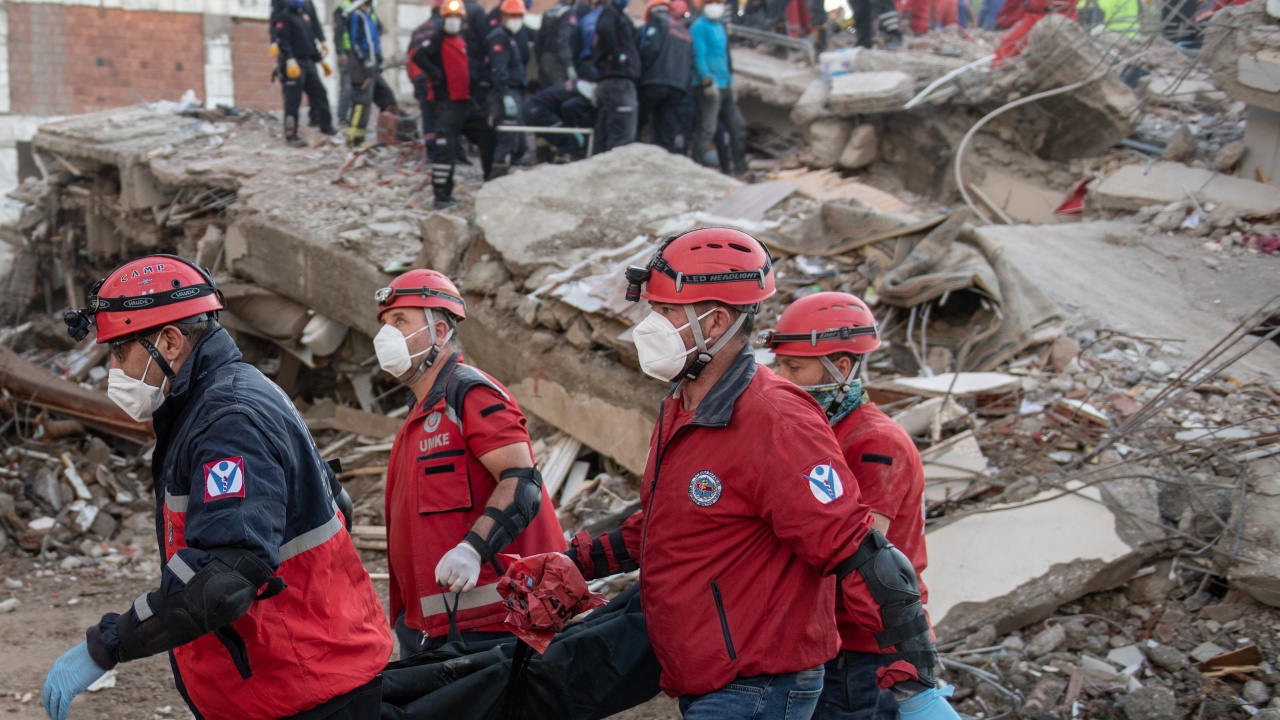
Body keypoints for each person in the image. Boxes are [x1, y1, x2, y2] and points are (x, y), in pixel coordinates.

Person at [504, 228, 961, 720]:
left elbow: (861, 552)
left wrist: (914, 682)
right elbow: (669, 524)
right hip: (708, 676)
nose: (647, 326)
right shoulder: (683, 406)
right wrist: (578, 561)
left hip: (758, 685)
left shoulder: (777, 420)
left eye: (665, 312)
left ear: (716, 320)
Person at [43, 255, 391, 720]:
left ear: (168, 341)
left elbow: (220, 583)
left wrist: (107, 644)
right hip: (295, 677)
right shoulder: (220, 398)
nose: (113, 368)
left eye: (119, 351)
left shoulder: (227, 419)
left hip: (301, 688)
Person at [372, 269, 567, 656]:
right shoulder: (421, 414)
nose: (386, 334)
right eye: (384, 322)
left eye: (399, 321)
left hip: (492, 626)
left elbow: (522, 480)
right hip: (435, 626)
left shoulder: (470, 393)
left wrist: (473, 549)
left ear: (440, 332)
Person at [766, 292, 929, 720]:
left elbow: (864, 559)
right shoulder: (825, 433)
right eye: (780, 365)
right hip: (831, 643)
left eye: (794, 367)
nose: (782, 379)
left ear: (841, 368)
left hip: (861, 651)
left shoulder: (876, 443)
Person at [411, 0, 497, 208]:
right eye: (450, 17)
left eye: (457, 17)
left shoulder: (461, 39)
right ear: (443, 18)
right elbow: (419, 56)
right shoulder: (438, 38)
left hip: (465, 102)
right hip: (447, 104)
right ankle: (442, 196)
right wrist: (435, 73)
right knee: (445, 150)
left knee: (487, 136)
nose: (453, 21)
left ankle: (491, 181)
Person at [690, 0, 748, 177]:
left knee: (738, 127)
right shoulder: (698, 27)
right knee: (707, 130)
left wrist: (730, 81)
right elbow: (698, 55)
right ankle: (695, 170)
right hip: (710, 86)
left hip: (725, 84)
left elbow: (724, 56)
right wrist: (706, 80)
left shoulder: (720, 26)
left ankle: (741, 168)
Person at [274, 0, 337, 146]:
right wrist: (289, 59)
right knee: (292, 101)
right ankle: (291, 135)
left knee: (320, 94)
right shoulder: (284, 17)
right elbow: (283, 41)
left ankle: (326, 127)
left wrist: (320, 60)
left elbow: (309, 41)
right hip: (293, 64)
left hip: (308, 62)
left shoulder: (304, 15)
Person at [638, 0, 693, 154]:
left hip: (655, 81)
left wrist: (641, 73)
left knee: (636, 122)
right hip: (678, 87)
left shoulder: (657, 22)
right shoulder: (683, 29)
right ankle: (664, 164)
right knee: (666, 130)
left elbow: (651, 49)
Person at [487, 0, 531, 174]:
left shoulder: (509, 37)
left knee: (519, 143)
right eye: (513, 15)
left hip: (514, 92)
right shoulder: (499, 37)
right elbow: (499, 68)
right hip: (505, 93)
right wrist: (505, 94)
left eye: (519, 16)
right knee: (507, 140)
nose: (516, 19)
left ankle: (507, 178)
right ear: (503, 16)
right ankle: (495, 179)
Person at [346, 0, 398, 147]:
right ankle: (354, 141)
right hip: (361, 69)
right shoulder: (355, 15)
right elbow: (355, 42)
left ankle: (388, 136)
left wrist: (378, 60)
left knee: (387, 100)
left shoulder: (368, 15)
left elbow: (373, 41)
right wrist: (365, 61)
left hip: (373, 67)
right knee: (361, 104)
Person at [591, 0, 641, 152]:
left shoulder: (617, 16)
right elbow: (604, 29)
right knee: (622, 136)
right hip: (618, 81)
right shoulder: (611, 12)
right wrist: (618, 56)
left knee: (605, 133)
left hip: (612, 81)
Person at [526, 79, 598, 162]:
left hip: (531, 109)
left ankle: (544, 160)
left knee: (546, 139)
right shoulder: (584, 94)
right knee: (569, 139)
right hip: (540, 111)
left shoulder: (576, 86)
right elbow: (567, 107)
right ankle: (564, 160)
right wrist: (573, 128)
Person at [537, 0, 580, 87]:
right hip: (558, 62)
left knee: (545, 96)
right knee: (558, 95)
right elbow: (563, 40)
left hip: (544, 59)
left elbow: (539, 39)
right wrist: (569, 65)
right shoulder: (568, 12)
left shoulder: (549, 11)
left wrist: (540, 59)